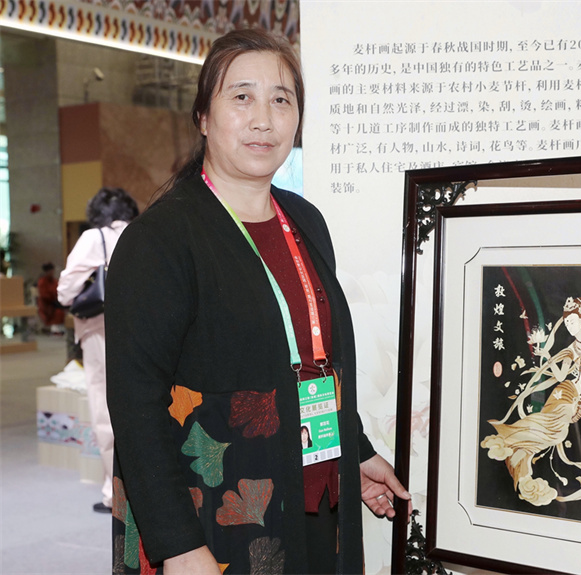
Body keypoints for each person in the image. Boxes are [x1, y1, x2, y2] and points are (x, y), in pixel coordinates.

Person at [105, 29, 409, 574]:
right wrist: (177, 544)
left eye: (281, 99)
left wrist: (355, 451)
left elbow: (311, 360)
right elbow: (135, 405)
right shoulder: (160, 240)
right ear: (204, 116)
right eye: (242, 96)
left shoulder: (304, 220)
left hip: (315, 498)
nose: (263, 119)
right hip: (218, 513)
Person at [481, 289, 581, 509]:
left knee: (554, 432)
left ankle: (521, 453)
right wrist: (547, 356)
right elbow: (561, 376)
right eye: (567, 324)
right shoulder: (571, 349)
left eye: (573, 322)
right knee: (557, 429)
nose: (570, 326)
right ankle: (514, 443)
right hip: (568, 391)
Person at [57, 186, 139, 513]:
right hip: (142, 330)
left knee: (105, 410)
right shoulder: (141, 233)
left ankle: (114, 494)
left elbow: (65, 289)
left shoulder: (96, 238)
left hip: (101, 331)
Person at [37, 262, 65, 334]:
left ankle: (60, 328)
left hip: (55, 301)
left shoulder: (55, 281)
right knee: (58, 311)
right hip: (46, 303)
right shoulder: (42, 281)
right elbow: (44, 295)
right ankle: (54, 328)